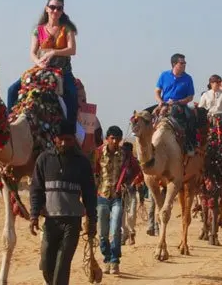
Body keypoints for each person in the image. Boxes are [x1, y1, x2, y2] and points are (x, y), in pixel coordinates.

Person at [29, 121, 97, 285]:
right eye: (62, 139)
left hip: (72, 222)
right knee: (46, 265)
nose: (65, 143)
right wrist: (34, 215)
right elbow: (36, 189)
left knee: (62, 265)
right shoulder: (44, 159)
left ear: (74, 139)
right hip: (51, 220)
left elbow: (89, 193)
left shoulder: (82, 162)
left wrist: (92, 219)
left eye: (69, 139)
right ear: (55, 139)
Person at [7, 0, 80, 125]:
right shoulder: (38, 30)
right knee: (12, 90)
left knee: (72, 95)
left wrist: (53, 52)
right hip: (41, 69)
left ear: (62, 11)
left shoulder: (67, 29)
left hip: (62, 71)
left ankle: (69, 131)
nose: (55, 11)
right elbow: (33, 52)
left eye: (59, 8)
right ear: (47, 9)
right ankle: (9, 123)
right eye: (52, 7)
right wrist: (38, 62)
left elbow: (72, 50)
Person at [92, 126, 126, 274]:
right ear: (107, 139)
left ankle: (114, 261)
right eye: (112, 138)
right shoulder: (98, 153)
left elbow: (135, 169)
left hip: (117, 198)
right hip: (102, 197)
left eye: (117, 139)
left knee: (115, 230)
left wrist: (126, 182)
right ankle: (106, 257)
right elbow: (93, 173)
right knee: (103, 233)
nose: (114, 141)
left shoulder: (124, 154)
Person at [150, 53, 196, 155]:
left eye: (185, 63)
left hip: (180, 104)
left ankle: (190, 143)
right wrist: (160, 101)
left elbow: (190, 97)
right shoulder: (164, 75)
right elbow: (157, 91)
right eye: (182, 63)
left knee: (191, 116)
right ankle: (144, 144)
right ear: (174, 64)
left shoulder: (188, 78)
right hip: (164, 103)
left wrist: (178, 102)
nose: (184, 65)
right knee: (144, 115)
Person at [119, 142, 141, 247]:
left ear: (130, 151)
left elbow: (139, 175)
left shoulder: (135, 162)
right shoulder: (119, 162)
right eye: (123, 150)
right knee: (121, 214)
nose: (123, 152)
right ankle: (124, 234)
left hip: (132, 191)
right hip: (121, 192)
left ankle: (132, 232)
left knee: (132, 214)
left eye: (125, 150)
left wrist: (133, 183)